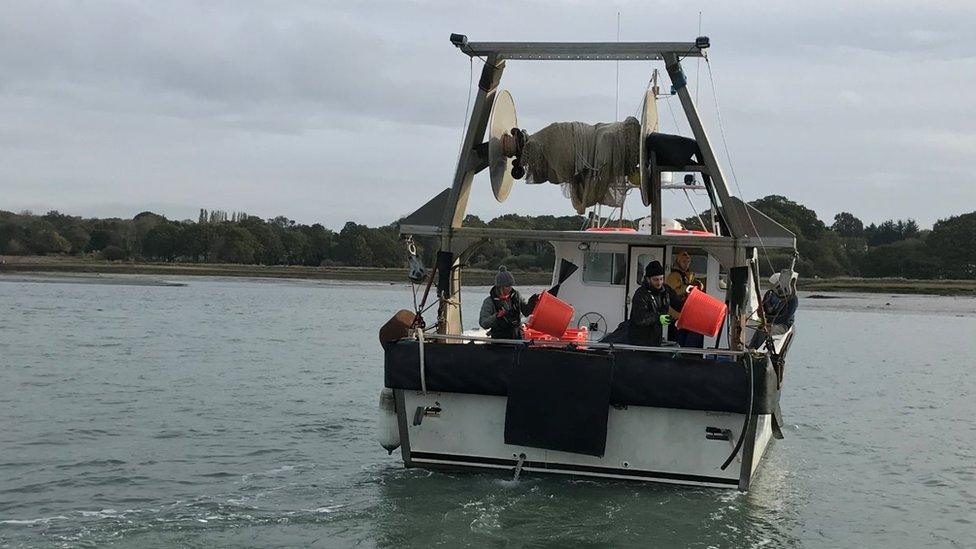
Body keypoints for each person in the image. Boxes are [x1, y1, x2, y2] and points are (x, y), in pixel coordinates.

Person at [478, 266, 537, 339]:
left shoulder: (516, 296)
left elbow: (526, 312)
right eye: (507, 286)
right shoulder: (489, 302)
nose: (510, 288)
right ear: (499, 287)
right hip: (499, 340)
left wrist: (533, 302)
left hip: (517, 337)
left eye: (511, 285)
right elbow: (483, 323)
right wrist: (496, 316)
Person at [626, 260, 675, 347]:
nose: (659, 283)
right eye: (656, 280)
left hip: (655, 339)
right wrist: (658, 318)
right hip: (639, 341)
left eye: (661, 279)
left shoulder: (666, 290)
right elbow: (640, 318)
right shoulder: (641, 294)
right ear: (648, 279)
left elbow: (678, 302)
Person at [666, 250, 705, 347]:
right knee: (678, 339)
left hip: (685, 312)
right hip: (676, 313)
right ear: (678, 262)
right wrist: (688, 287)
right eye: (684, 262)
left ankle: (686, 355)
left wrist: (699, 285)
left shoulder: (687, 275)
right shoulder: (673, 276)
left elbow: (695, 285)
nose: (686, 264)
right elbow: (674, 293)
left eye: (688, 262)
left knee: (687, 337)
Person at [751, 270, 799, 348]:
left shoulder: (792, 299)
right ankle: (752, 348)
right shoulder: (769, 294)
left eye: (772, 285)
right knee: (760, 329)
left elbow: (785, 317)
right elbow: (763, 308)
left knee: (764, 330)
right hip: (768, 323)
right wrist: (760, 312)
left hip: (783, 325)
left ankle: (757, 351)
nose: (770, 287)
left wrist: (769, 323)